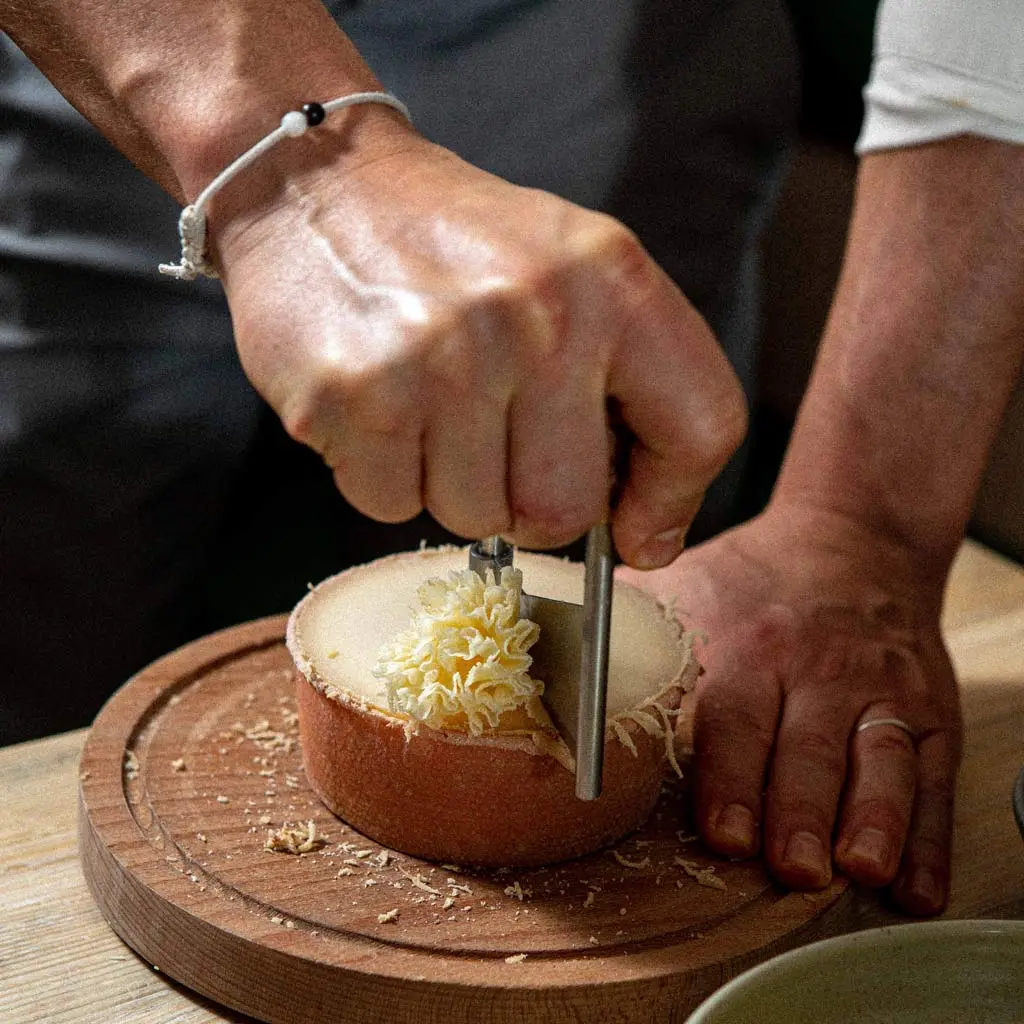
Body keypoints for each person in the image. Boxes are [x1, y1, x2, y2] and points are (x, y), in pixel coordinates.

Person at [1, 0, 1021, 922]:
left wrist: (863, 521)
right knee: (45, 633)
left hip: (614, 39)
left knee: (606, 479)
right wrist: (289, 163)